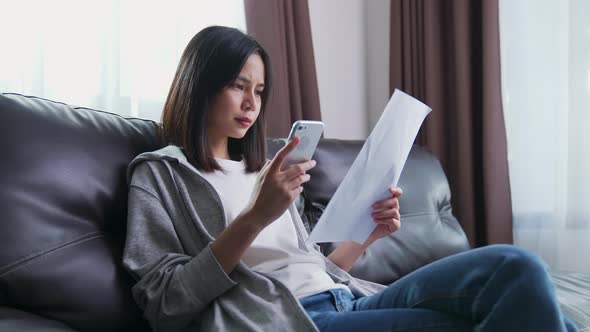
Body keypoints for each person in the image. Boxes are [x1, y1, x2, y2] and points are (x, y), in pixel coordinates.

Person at [123, 25, 578, 332]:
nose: (251, 103)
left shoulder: (267, 169)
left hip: (347, 300)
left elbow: (316, 270)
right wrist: (254, 217)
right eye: (238, 86)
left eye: (259, 91)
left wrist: (368, 235)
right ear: (201, 83)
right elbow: (166, 306)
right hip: (294, 320)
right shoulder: (160, 175)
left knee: (517, 269)